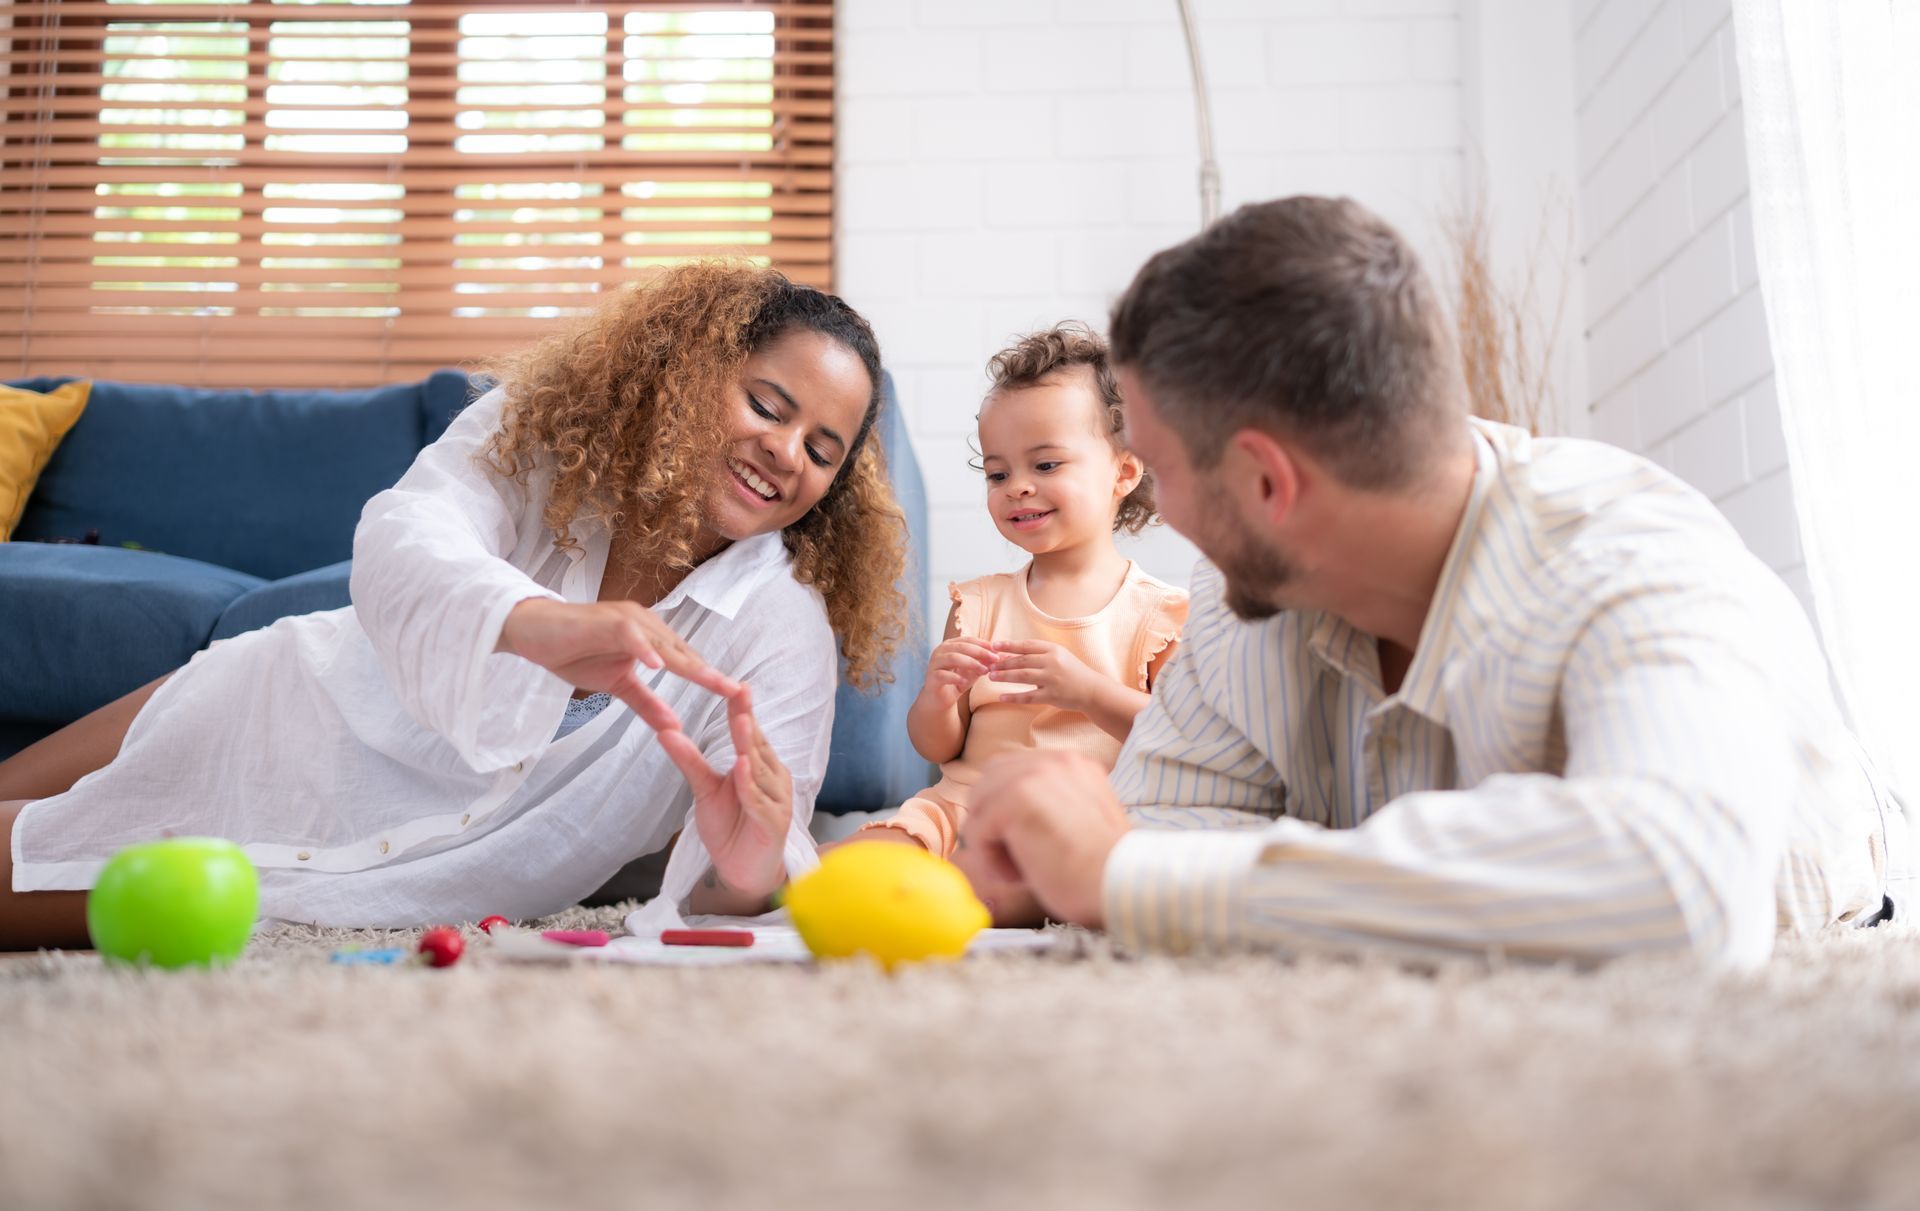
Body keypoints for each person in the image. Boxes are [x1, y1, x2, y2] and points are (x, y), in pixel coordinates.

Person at [961, 196, 1903, 968]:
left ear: (1265, 483)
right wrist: (1065, 864)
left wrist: (1127, 880)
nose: (1161, 513)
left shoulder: (1634, 557)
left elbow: (1680, 888)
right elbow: (1163, 826)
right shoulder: (1236, 604)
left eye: (1160, 472)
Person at [0, 263, 907, 948]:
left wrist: (747, 862)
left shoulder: (783, 626)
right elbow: (404, 534)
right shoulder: (545, 436)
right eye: (765, 403)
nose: (787, 451)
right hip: (277, 707)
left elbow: (745, 877)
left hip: (374, 880)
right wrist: (535, 623)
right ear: (696, 371)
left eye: (822, 449)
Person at [848, 325, 1188, 924]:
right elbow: (938, 746)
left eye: (1046, 463)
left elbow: (1177, 740)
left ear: (1124, 473)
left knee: (1035, 884)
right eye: (998, 473)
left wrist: (1086, 692)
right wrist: (939, 697)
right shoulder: (978, 603)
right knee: (848, 866)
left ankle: (965, 897)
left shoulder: (1158, 614)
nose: (1018, 487)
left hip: (1076, 828)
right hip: (961, 812)